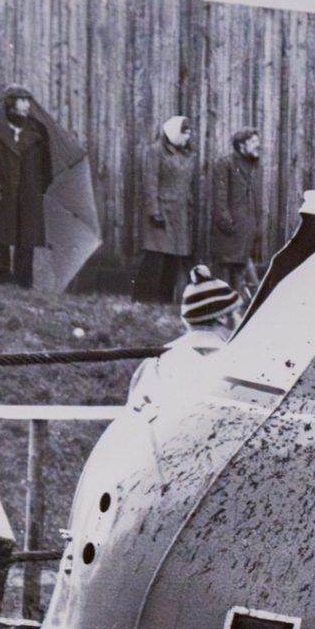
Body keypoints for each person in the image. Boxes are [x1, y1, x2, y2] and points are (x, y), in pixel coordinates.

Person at [127, 266, 240, 411]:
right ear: (223, 317)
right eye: (237, 312)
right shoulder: (231, 359)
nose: (240, 318)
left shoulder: (157, 358)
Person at [0, 84, 52, 287]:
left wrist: (38, 189)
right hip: (2, 189)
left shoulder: (38, 129)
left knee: (26, 237)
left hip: (29, 191)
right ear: (10, 102)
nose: (26, 105)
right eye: (22, 100)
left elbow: (47, 165)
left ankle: (23, 281)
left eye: (28, 100)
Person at [135, 115, 196, 303]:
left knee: (174, 257)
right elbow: (150, 183)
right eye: (184, 133)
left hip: (180, 212)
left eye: (189, 133)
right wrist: (154, 211)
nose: (188, 137)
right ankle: (141, 297)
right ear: (174, 133)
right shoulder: (155, 152)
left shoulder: (187, 154)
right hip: (161, 210)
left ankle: (165, 298)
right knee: (154, 255)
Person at [209, 127, 263, 297]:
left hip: (246, 226)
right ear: (241, 145)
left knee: (241, 263)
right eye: (253, 142)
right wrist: (226, 222)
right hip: (231, 226)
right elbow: (220, 195)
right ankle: (251, 296)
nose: (258, 145)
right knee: (231, 265)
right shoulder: (225, 164)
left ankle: (248, 297)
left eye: (257, 141)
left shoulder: (252, 165)